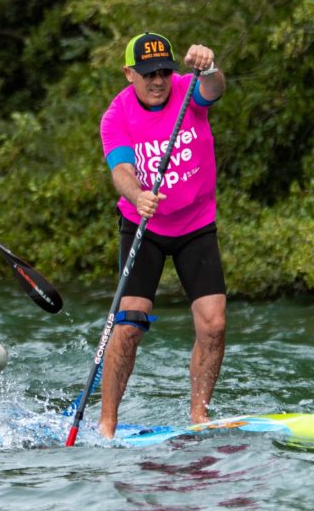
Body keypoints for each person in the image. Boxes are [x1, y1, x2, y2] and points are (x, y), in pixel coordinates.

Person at [97, 32, 227, 439]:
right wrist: (138, 196)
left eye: (165, 71)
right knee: (131, 324)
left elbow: (214, 88)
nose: (158, 81)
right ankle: (107, 424)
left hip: (195, 223)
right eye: (149, 73)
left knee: (214, 325)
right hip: (144, 226)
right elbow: (120, 170)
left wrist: (210, 66)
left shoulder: (188, 91)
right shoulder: (115, 115)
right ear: (129, 73)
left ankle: (198, 415)